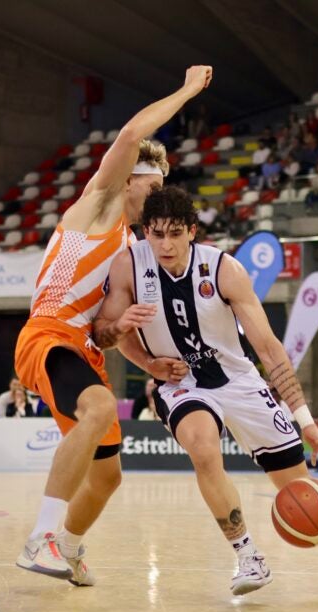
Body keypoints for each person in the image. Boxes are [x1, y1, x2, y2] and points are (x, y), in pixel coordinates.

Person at [93, 185, 318, 594]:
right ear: (145, 232)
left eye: (174, 233)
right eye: (156, 234)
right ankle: (247, 556)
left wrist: (307, 424)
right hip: (180, 382)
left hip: (237, 378)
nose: (165, 244)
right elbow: (103, 334)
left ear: (192, 231)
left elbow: (268, 349)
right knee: (203, 448)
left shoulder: (224, 270)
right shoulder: (127, 267)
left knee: (295, 484)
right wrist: (141, 354)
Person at [13, 67, 208, 585]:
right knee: (98, 405)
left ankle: (70, 546)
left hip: (82, 346)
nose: (161, 191)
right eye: (155, 183)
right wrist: (188, 91)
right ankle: (43, 537)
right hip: (48, 334)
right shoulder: (98, 204)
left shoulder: (129, 248)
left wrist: (147, 361)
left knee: (107, 476)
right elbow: (128, 136)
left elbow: (106, 331)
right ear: (130, 180)